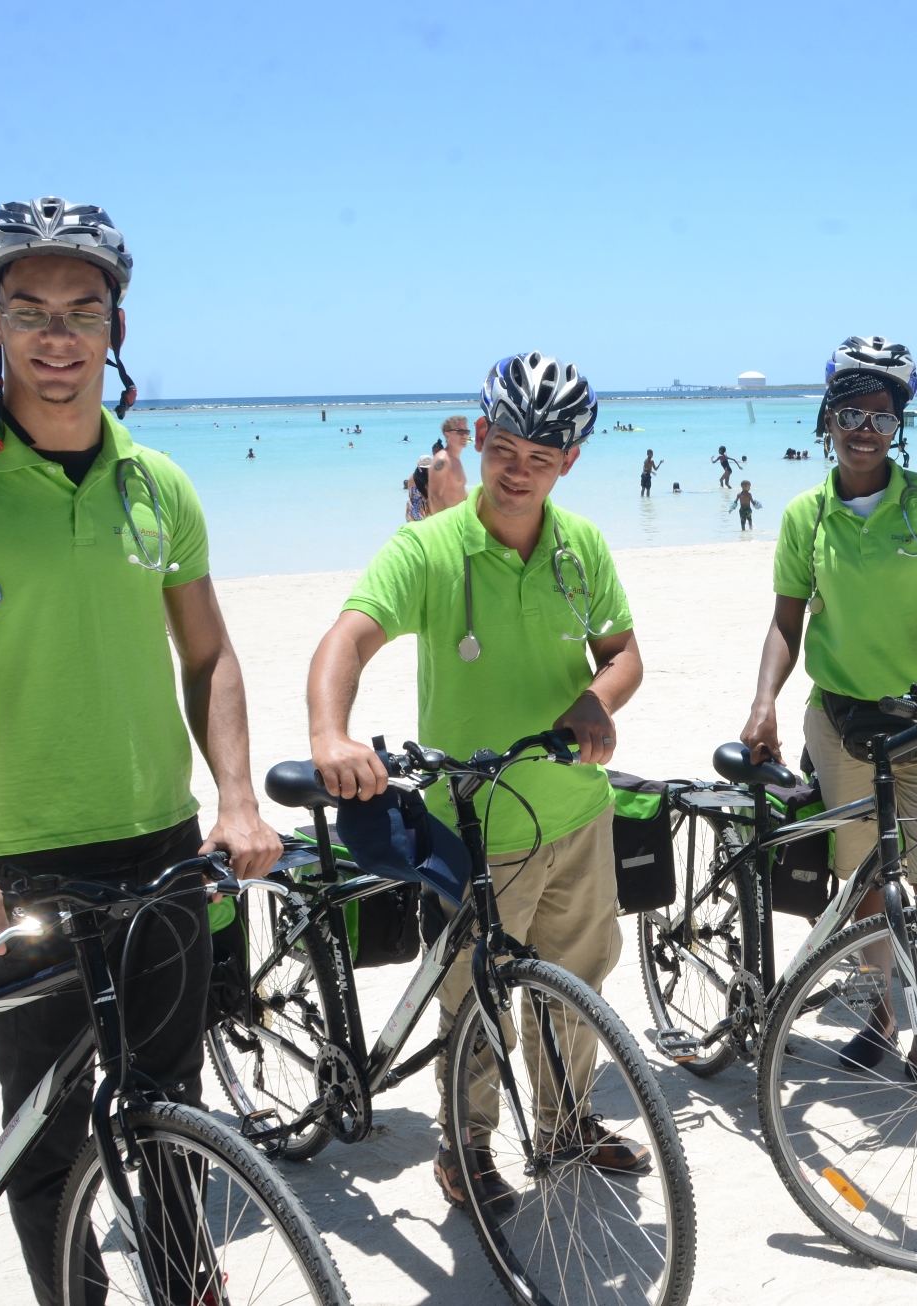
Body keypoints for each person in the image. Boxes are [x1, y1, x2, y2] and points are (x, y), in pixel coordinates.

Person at [0, 197, 278, 1306]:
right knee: (49, 1131)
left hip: (168, 843)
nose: (58, 335)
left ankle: (183, 1288)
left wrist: (234, 799)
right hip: (17, 867)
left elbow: (211, 657)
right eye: (29, 309)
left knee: (166, 1106)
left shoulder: (159, 485)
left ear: (117, 326)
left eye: (84, 309)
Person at [308, 351, 647, 1210]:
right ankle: (466, 1148)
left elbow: (622, 654)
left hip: (577, 813)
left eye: (542, 457)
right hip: (475, 825)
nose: (519, 471)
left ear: (569, 460)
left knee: (577, 985)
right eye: (507, 450)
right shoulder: (428, 549)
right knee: (473, 1000)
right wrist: (330, 733)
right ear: (483, 437)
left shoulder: (584, 547)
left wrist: (597, 702)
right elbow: (345, 641)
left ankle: (567, 1123)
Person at [741, 335, 917, 1088]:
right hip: (837, 723)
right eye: (851, 412)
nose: (865, 429)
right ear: (826, 418)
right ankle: (879, 1014)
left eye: (881, 416)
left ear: (900, 425)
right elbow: (787, 623)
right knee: (864, 885)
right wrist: (764, 701)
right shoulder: (805, 518)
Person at [405, 455, 432, 520]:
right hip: (424, 511)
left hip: (411, 511)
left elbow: (410, 496)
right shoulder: (428, 481)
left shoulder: (411, 477)